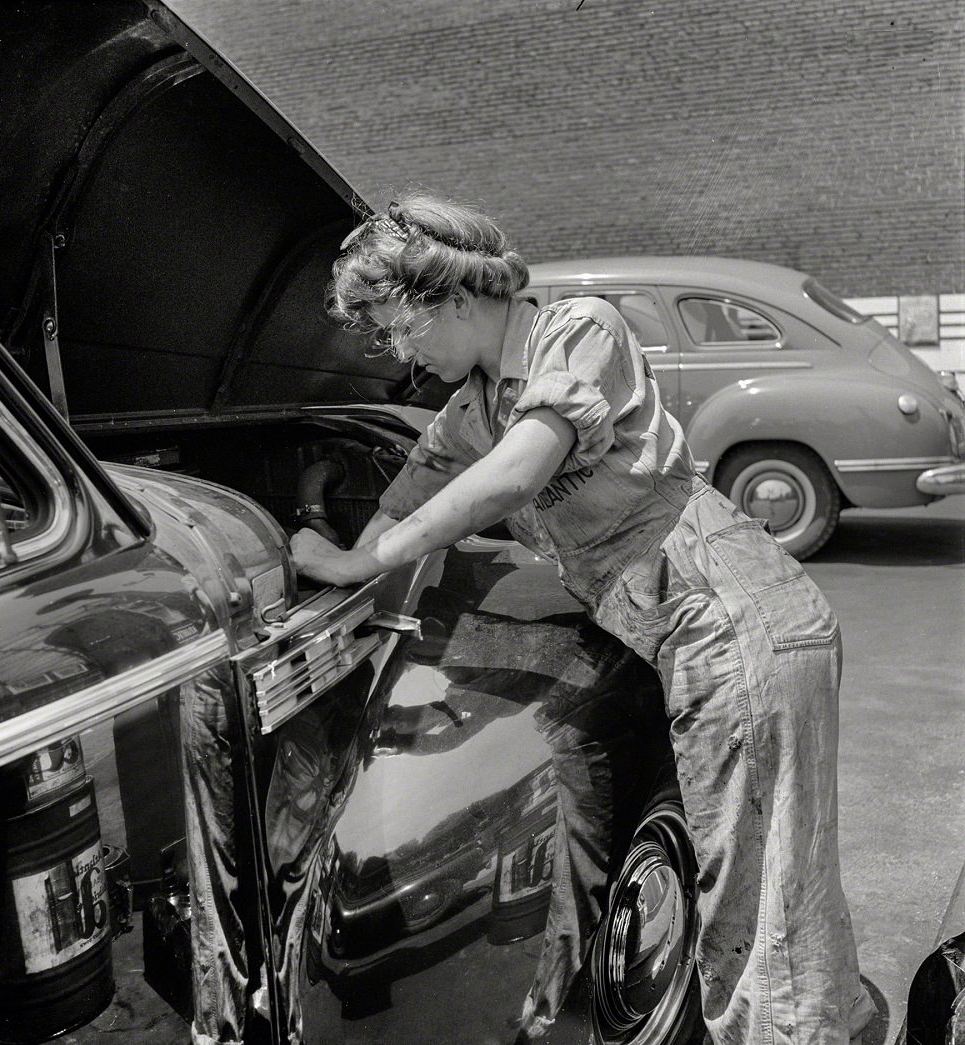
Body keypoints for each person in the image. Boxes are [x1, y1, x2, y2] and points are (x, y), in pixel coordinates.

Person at [288, 192, 876, 1044]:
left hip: (736, 617)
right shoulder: (470, 410)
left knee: (751, 890)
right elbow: (405, 500)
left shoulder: (578, 331)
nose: (396, 350)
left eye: (396, 324)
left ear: (451, 295)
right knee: (776, 869)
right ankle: (835, 1024)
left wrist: (364, 563)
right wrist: (339, 559)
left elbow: (517, 474)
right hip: (689, 630)